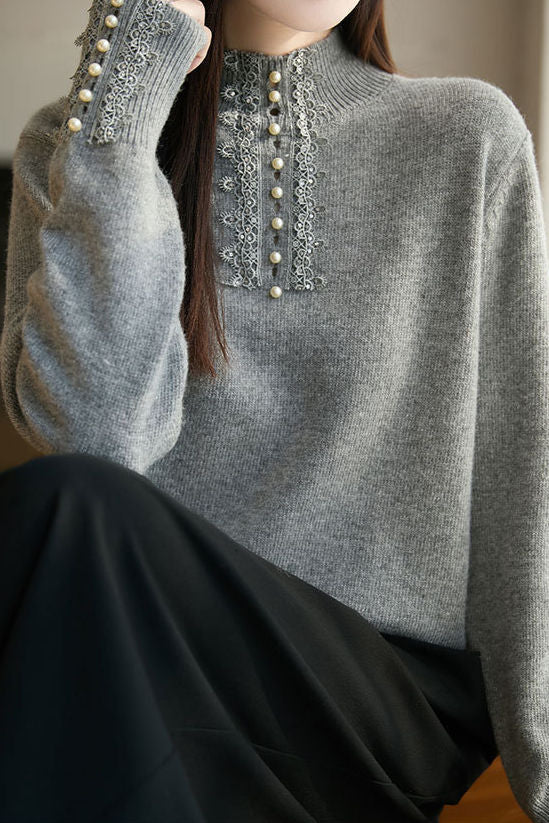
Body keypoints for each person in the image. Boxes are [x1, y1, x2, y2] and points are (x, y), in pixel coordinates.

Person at [0, 0, 547, 820]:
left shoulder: (467, 136)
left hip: (378, 702)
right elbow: (98, 434)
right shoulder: (73, 141)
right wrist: (127, 88)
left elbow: (523, 476)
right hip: (160, 666)